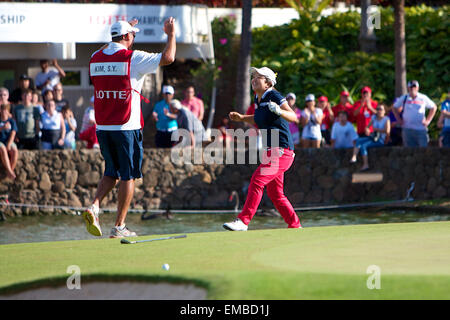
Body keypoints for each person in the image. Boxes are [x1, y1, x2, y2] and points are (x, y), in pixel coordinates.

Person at [83, 17, 176, 239]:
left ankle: (94, 206)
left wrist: (123, 30)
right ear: (125, 37)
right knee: (128, 176)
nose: (134, 38)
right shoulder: (133, 58)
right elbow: (169, 57)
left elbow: (106, 49)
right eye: (132, 35)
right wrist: (171, 34)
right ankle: (119, 226)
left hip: (104, 128)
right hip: (127, 127)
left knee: (111, 172)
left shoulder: (95, 58)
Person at [223, 66, 302, 231]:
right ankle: (295, 225)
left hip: (282, 150)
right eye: (253, 76)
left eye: (258, 77)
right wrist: (242, 118)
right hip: (271, 151)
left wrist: (279, 110)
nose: (253, 79)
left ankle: (243, 221)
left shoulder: (274, 95)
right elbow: (259, 119)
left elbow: (294, 117)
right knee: (275, 194)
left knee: (257, 180)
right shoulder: (258, 99)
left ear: (267, 83)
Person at [392, 80, 437, 147]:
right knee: (409, 150)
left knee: (423, 149)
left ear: (417, 88)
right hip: (407, 129)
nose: (412, 89)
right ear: (408, 88)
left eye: (414, 87)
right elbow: (394, 107)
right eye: (411, 87)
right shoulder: (404, 98)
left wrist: (428, 120)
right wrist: (399, 120)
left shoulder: (423, 97)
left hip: (420, 129)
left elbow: (433, 107)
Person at [350, 104, 390, 171]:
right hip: (373, 137)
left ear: (384, 111)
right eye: (377, 109)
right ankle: (354, 157)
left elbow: (387, 131)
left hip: (380, 140)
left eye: (380, 109)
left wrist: (376, 129)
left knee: (363, 146)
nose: (379, 111)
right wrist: (367, 130)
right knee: (359, 140)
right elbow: (367, 127)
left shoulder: (386, 119)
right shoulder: (374, 117)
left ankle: (366, 164)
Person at [0, 103, 18, 180]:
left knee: (14, 151)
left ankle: (10, 170)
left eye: (6, 110)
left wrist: (9, 143)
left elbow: (13, 133)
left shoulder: (11, 121)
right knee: (3, 149)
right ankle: (10, 171)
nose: (4, 112)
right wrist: (2, 128)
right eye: (3, 110)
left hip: (8, 141)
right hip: (0, 141)